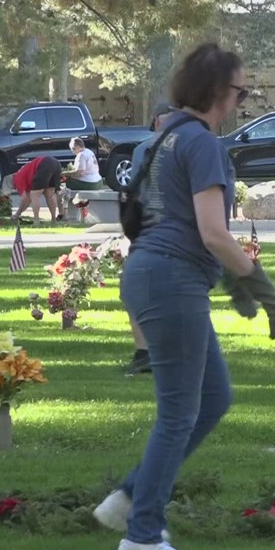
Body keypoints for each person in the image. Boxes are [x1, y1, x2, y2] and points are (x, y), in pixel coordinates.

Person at [92, 43, 275, 550]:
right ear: (220, 92)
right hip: (169, 279)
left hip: (153, 274)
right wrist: (266, 295)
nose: (243, 102)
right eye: (241, 92)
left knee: (214, 397)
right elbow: (213, 233)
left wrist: (227, 279)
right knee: (178, 412)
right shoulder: (200, 143)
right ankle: (142, 537)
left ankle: (131, 497)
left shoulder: (167, 136)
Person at [122, 103, 176, 377]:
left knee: (136, 289)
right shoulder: (187, 147)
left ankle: (145, 350)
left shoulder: (143, 149)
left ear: (155, 121)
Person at [11, 156, 64, 221]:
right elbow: (28, 201)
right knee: (49, 194)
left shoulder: (17, 179)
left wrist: (17, 214)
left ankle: (36, 220)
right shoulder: (23, 174)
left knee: (34, 195)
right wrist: (18, 214)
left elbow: (24, 199)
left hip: (44, 163)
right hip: (55, 163)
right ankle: (53, 220)